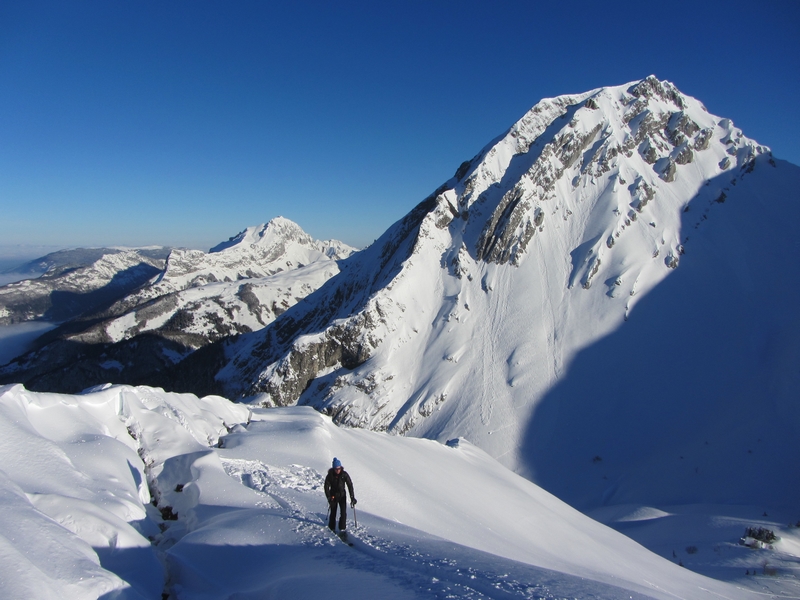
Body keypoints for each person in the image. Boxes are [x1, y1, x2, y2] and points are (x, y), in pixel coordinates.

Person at [324, 457, 356, 532]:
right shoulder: (330, 475)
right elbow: (326, 487)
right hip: (333, 496)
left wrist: (352, 497)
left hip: (342, 495)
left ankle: (342, 529)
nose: (338, 470)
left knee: (343, 513)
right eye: (336, 469)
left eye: (339, 468)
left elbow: (350, 485)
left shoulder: (344, 474)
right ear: (333, 468)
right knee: (333, 512)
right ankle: (331, 528)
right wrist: (329, 497)